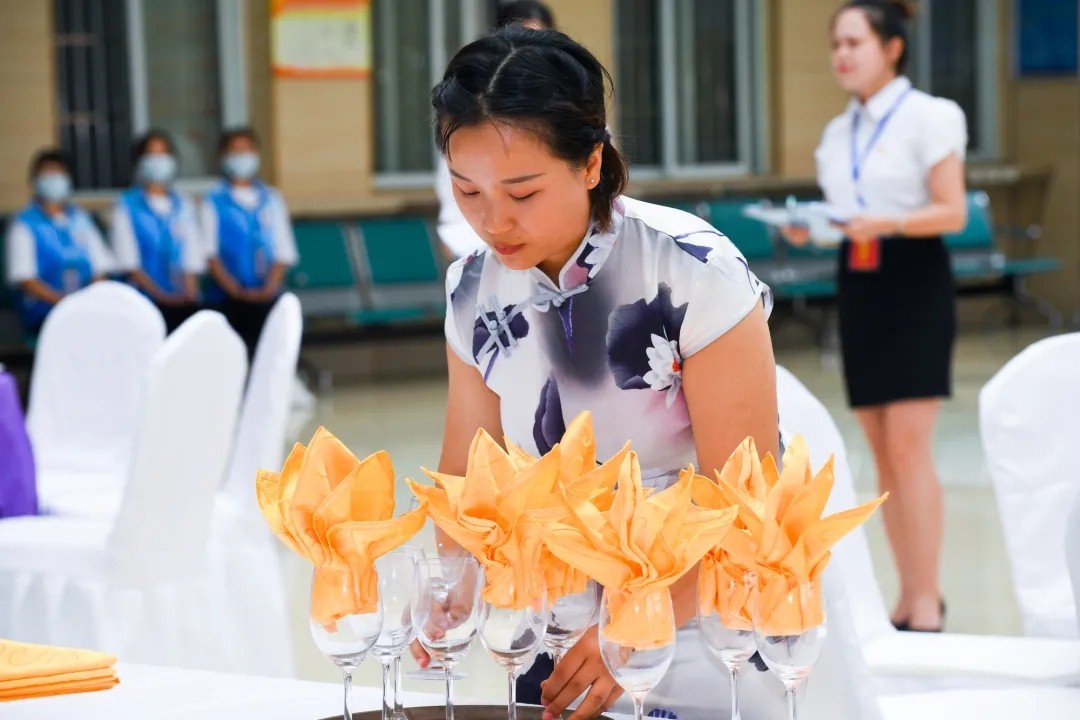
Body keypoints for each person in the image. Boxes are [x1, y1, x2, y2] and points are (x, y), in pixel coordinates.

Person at [412, 25, 884, 720]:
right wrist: (450, 582)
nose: (493, 221)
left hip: (712, 622)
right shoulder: (472, 293)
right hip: (563, 625)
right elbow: (467, 482)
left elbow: (742, 504)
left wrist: (631, 624)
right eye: (468, 191)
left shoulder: (692, 270)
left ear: (592, 163)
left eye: (522, 192)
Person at [782, 0, 967, 633]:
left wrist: (883, 222)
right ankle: (908, 593)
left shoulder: (929, 117)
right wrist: (813, 231)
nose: (841, 55)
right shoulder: (840, 133)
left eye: (855, 42)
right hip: (858, 280)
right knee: (883, 452)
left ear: (892, 48)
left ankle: (926, 597)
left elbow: (953, 212)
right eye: (836, 43)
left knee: (911, 447)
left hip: (913, 280)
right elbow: (846, 216)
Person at [434, 1, 556, 260]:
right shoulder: (470, 116)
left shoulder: (576, 117)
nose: (527, 56)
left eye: (523, 193)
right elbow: (453, 217)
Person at [200, 127, 298, 358]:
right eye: (235, 151)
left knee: (271, 348)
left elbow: (282, 251)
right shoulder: (213, 200)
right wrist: (238, 291)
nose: (242, 156)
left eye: (247, 150)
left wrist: (268, 288)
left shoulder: (271, 198)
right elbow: (209, 254)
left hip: (267, 292)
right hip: (228, 296)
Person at [4, 149, 116, 335]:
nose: (53, 178)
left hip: (85, 311)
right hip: (45, 313)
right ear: (34, 181)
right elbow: (26, 280)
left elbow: (100, 270)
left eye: (58, 173)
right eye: (47, 173)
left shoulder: (81, 219)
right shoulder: (24, 224)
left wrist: (89, 303)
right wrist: (65, 303)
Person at [110, 130, 206, 332]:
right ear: (140, 162)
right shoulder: (126, 206)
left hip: (181, 300)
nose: (158, 160)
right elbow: (129, 264)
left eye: (163, 153)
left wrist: (188, 293)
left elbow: (191, 257)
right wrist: (162, 296)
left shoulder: (183, 204)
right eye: (151, 154)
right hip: (143, 301)